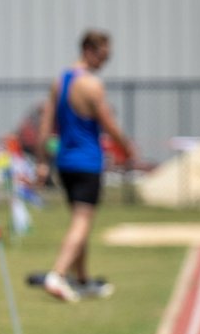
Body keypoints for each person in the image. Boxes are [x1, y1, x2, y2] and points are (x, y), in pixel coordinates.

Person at [35, 30, 133, 302]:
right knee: (81, 222)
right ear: (90, 50)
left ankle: (82, 279)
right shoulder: (91, 85)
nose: (105, 61)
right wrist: (127, 149)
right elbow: (109, 125)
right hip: (87, 162)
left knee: (81, 221)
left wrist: (42, 162)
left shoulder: (61, 80)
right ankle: (57, 274)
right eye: (103, 55)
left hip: (64, 162)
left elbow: (46, 124)